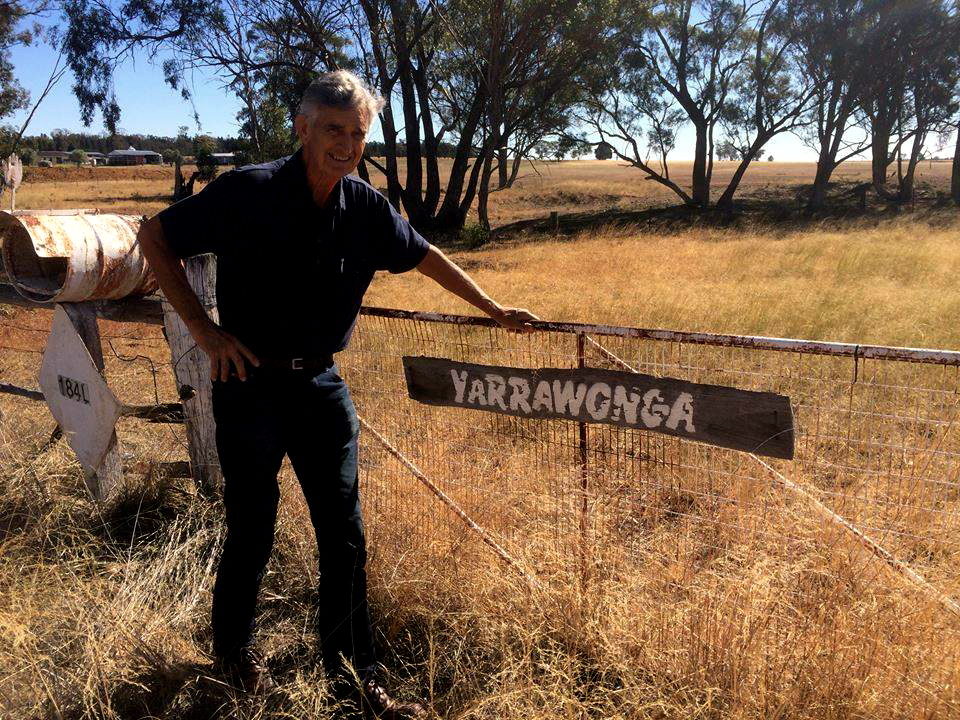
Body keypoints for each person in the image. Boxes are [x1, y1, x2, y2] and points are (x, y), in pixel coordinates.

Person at [137, 70, 538, 716]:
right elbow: (154, 237)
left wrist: (492, 307)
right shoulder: (248, 191)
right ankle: (233, 655)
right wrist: (203, 331)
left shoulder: (366, 208)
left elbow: (425, 255)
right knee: (252, 527)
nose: (347, 145)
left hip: (320, 385)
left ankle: (354, 678)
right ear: (303, 128)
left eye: (357, 133)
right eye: (333, 130)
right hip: (249, 384)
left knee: (344, 534)